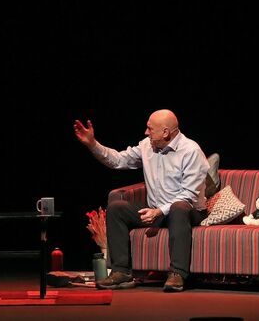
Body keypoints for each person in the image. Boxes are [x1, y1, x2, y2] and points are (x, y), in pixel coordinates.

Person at [74, 109, 208, 292]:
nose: (146, 132)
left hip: (188, 212)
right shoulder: (147, 146)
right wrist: (93, 144)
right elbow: (119, 160)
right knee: (116, 208)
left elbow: (188, 194)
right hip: (157, 212)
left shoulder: (191, 150)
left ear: (166, 132)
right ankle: (121, 271)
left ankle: (178, 273)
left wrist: (159, 211)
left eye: (150, 129)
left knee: (178, 207)